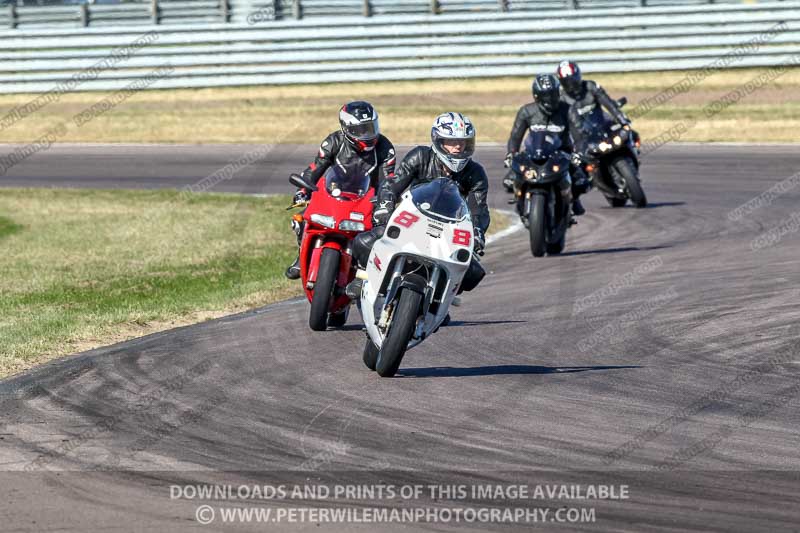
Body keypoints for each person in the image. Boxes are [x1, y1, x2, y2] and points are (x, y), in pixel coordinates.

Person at [349, 112, 489, 296]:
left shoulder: (476, 173)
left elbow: (478, 209)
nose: (458, 147)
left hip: (448, 230)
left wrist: (477, 232)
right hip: (413, 219)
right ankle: (364, 277)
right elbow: (392, 185)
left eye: (463, 142)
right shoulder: (420, 156)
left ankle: (438, 299)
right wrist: (384, 206)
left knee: (473, 272)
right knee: (363, 242)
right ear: (438, 140)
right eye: (452, 141)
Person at [285, 101, 396, 279]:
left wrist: (384, 205)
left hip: (366, 197)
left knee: (377, 232)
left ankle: (363, 271)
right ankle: (301, 256)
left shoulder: (385, 148)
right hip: (334, 192)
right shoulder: (333, 141)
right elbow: (316, 168)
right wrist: (302, 191)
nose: (367, 135)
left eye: (370, 127)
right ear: (347, 129)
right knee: (302, 219)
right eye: (361, 130)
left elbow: (387, 181)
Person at [503, 74, 588, 216]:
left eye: (553, 94)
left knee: (581, 181)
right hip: (534, 152)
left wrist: (579, 153)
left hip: (562, 153)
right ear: (537, 96)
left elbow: (580, 136)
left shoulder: (568, 110)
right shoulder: (526, 111)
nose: (551, 99)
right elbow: (515, 137)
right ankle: (520, 198)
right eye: (546, 96)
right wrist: (511, 153)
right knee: (509, 181)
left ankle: (574, 200)